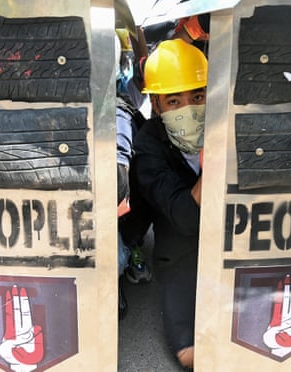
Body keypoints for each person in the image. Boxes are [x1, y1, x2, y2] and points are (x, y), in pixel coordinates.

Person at [131, 38, 208, 369]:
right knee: (189, 353)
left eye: (197, 96)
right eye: (174, 100)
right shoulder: (147, 146)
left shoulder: (227, 121)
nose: (188, 108)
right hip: (180, 249)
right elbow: (185, 217)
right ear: (157, 105)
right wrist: (219, 158)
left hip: (234, 237)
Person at [114, 30, 153, 319]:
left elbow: (145, 73)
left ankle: (128, 249)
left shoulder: (127, 94)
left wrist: (136, 28)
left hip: (127, 185)